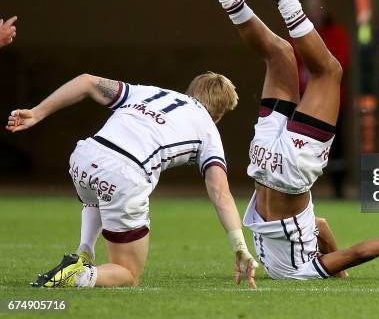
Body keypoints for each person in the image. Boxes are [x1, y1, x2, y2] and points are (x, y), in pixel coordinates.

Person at [202, 0, 379, 280]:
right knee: (280, 54)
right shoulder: (278, 263)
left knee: (329, 72)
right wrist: (338, 272)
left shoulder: (302, 272)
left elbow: (356, 253)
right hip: (264, 163)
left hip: (292, 172)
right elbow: (322, 227)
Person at [6, 72, 258, 288]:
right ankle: (79, 275)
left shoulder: (150, 92)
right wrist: (240, 247)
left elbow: (85, 82)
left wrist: (37, 113)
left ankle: (84, 251)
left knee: (97, 192)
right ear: (220, 114)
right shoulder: (209, 130)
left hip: (83, 157)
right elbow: (220, 193)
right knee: (127, 273)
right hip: (124, 174)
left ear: (190, 91)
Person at [301, 0, 351, 198]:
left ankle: (338, 188)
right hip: (307, 100)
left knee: (336, 146)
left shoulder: (337, 33)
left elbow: (342, 61)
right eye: (310, 7)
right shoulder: (298, 33)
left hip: (334, 100)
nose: (314, 11)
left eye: (317, 7)